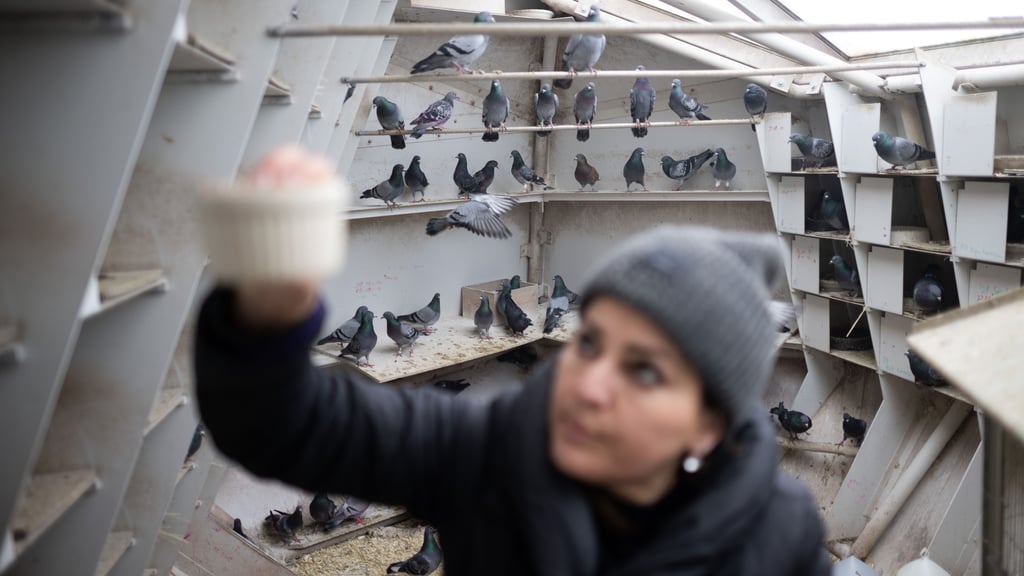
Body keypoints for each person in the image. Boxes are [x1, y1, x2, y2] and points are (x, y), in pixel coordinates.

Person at [195, 158, 829, 576]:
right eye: (590, 343)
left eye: (645, 372)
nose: (591, 385)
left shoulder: (777, 540)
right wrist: (267, 307)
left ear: (708, 425)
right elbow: (276, 421)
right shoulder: (489, 450)